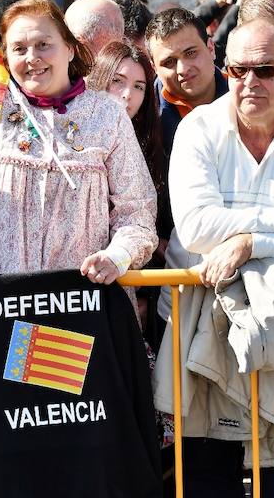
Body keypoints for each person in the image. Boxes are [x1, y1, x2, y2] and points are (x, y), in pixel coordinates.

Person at [155, 18, 274, 497]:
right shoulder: (198, 128)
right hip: (198, 320)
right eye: (238, 69)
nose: (250, 82)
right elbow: (197, 228)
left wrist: (246, 243)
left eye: (264, 69)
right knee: (205, 477)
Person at [0, 0, 157, 308]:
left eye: (44, 44)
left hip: (81, 301)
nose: (32, 57)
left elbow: (136, 211)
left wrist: (118, 256)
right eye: (19, 48)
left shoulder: (108, 114)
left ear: (70, 48)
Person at [86, 41, 168, 334]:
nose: (126, 95)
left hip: (125, 285)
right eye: (117, 82)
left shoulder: (152, 145)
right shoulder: (79, 135)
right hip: (79, 283)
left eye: (139, 87)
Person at [145, 7, 229, 157]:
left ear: (211, 49)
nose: (183, 69)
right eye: (169, 62)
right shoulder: (144, 116)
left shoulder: (245, 93)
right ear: (154, 68)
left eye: (191, 53)